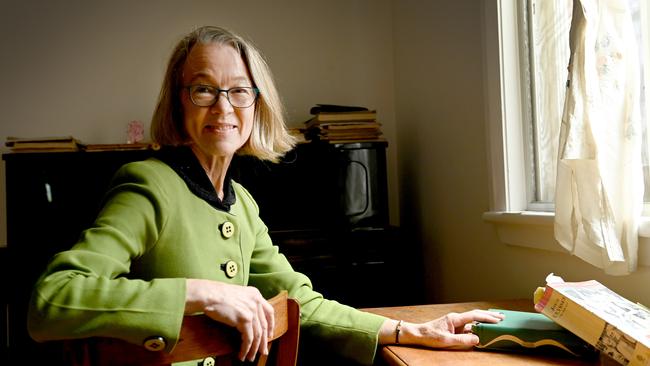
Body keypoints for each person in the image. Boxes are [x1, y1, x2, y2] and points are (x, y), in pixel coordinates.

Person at [27, 25, 504, 365]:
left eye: (239, 91)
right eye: (203, 90)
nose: (223, 106)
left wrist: (411, 331)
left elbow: (302, 303)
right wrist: (199, 294)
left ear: (256, 104)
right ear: (178, 101)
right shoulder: (148, 185)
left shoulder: (242, 202)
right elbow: (52, 301)